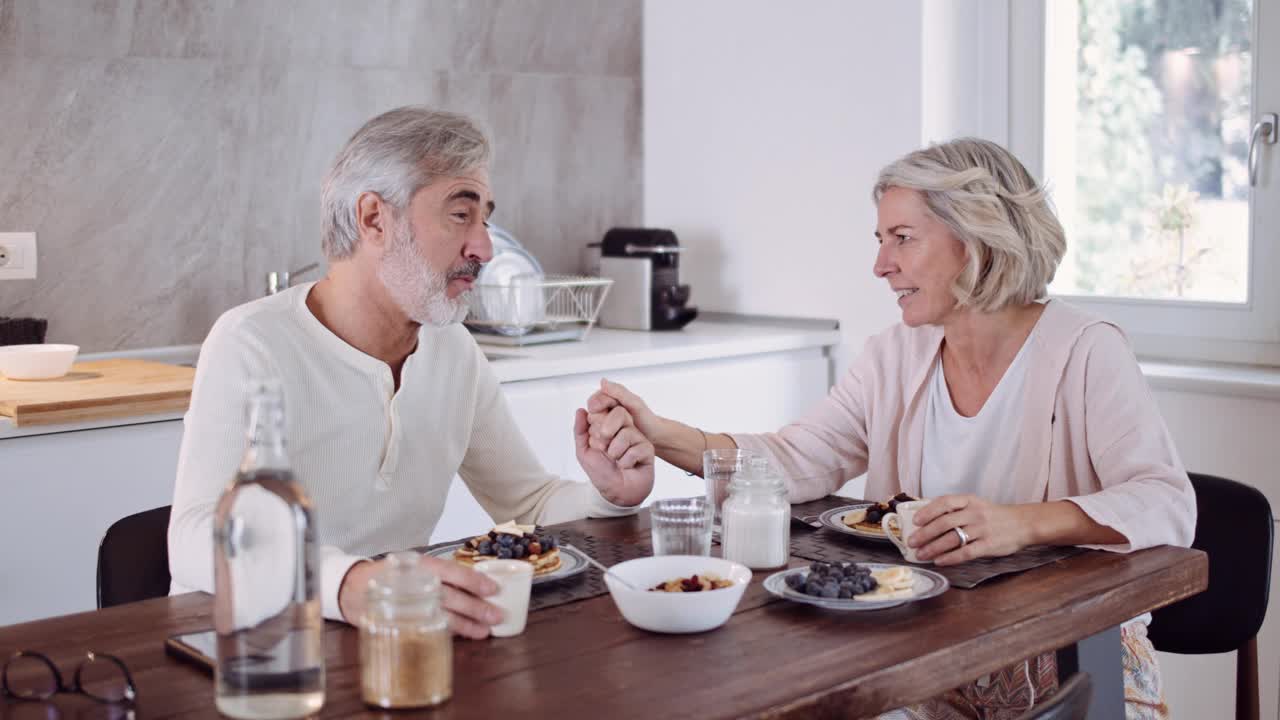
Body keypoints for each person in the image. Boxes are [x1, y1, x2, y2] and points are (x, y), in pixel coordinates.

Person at [585, 138, 1194, 719]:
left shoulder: (1086, 351)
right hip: (933, 654)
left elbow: (1165, 501)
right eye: (880, 240)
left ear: (977, 239)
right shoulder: (893, 357)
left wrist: (1016, 523)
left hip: (1073, 658)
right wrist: (658, 432)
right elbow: (796, 459)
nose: (881, 265)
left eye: (902, 239)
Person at [168, 106, 655, 639]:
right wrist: (353, 583)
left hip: (392, 645)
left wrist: (607, 494)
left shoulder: (453, 351)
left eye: (485, 218)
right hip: (251, 659)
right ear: (375, 218)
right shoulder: (251, 344)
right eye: (460, 214)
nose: (485, 247)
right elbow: (195, 538)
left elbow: (528, 503)